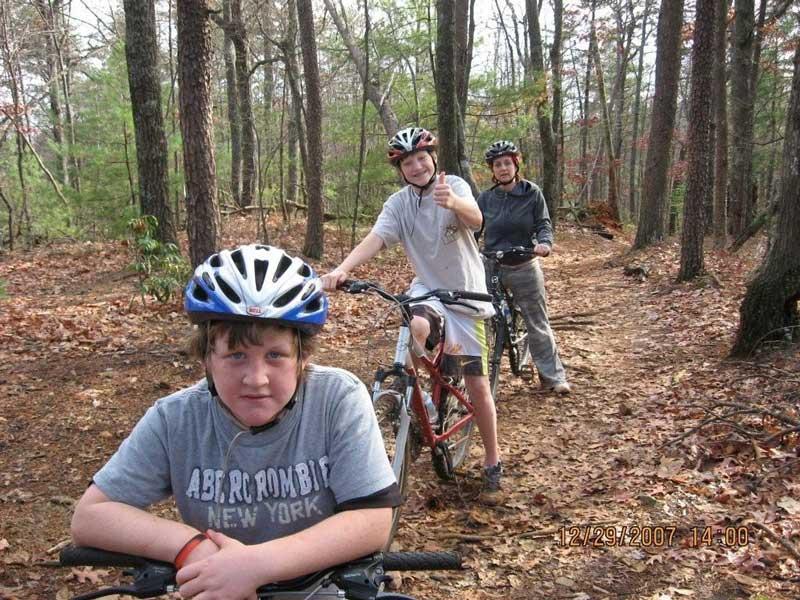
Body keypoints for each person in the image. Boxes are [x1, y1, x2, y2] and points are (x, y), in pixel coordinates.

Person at [70, 244, 400, 599]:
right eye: (236, 355)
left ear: (302, 358)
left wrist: (255, 565)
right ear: (207, 359)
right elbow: (91, 515)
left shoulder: (336, 399)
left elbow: (372, 520)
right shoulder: (176, 418)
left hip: (325, 588)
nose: (256, 378)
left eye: (275, 355)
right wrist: (191, 546)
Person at [321, 126, 504, 497]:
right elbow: (376, 238)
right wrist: (343, 269)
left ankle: (493, 458)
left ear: (432, 158)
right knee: (414, 325)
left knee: (477, 386)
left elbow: (478, 220)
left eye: (421, 158)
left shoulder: (452, 186)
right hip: (431, 292)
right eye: (408, 162)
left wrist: (453, 202)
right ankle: (422, 403)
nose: (417, 166)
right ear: (401, 169)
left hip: (467, 299)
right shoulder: (399, 204)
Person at [477, 140, 570, 395]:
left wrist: (544, 243)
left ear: (516, 165)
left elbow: (543, 223)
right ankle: (478, 380)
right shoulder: (486, 198)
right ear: (492, 170)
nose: (503, 168)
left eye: (507, 163)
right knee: (481, 318)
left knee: (536, 321)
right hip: (492, 265)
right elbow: (475, 228)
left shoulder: (531, 193)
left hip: (523, 265)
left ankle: (553, 377)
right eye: (498, 164)